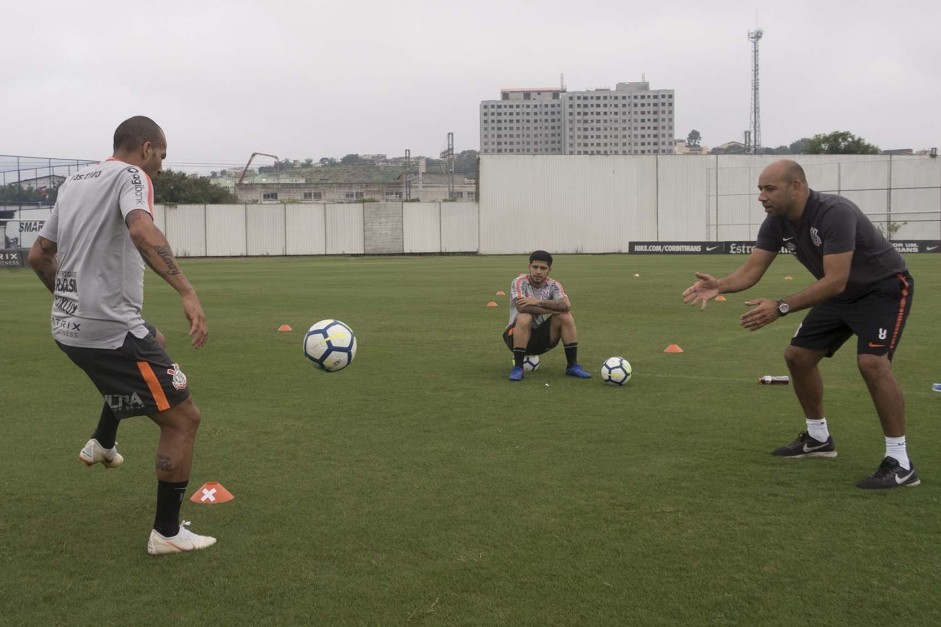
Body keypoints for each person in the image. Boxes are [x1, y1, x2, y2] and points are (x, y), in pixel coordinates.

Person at [28, 116, 218, 553]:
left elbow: (39, 255)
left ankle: (103, 442)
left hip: (69, 328)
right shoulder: (133, 175)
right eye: (163, 156)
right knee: (183, 419)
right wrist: (187, 291)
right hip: (109, 329)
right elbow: (140, 228)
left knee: (156, 341)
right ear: (146, 148)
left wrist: (71, 303)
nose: (162, 169)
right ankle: (166, 534)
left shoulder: (74, 182)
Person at [682, 159, 917, 489]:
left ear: (797, 187)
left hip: (883, 289)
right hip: (841, 294)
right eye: (760, 189)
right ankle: (818, 438)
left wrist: (780, 307)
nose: (761, 196)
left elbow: (835, 280)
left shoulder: (834, 212)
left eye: (769, 189)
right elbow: (751, 271)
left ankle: (901, 462)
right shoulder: (776, 222)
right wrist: (719, 285)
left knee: (872, 363)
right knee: (798, 357)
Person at [503, 250, 592, 381]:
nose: (538, 271)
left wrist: (538, 301)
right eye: (535, 267)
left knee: (565, 316)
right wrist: (551, 309)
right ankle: (518, 367)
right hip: (514, 334)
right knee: (525, 316)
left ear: (549, 270)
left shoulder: (553, 285)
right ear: (529, 267)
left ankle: (572, 366)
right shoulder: (519, 282)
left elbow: (566, 305)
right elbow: (522, 307)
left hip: (540, 337)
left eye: (543, 268)